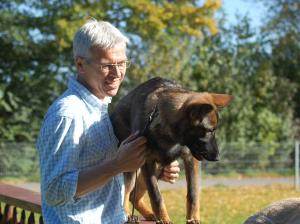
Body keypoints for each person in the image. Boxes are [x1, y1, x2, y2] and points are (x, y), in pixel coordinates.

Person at [37, 19, 180, 224]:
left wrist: (157, 168)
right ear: (80, 64)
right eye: (106, 66)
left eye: (122, 63)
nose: (117, 73)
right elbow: (54, 191)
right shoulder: (68, 113)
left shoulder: (101, 109)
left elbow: (108, 179)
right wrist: (116, 164)